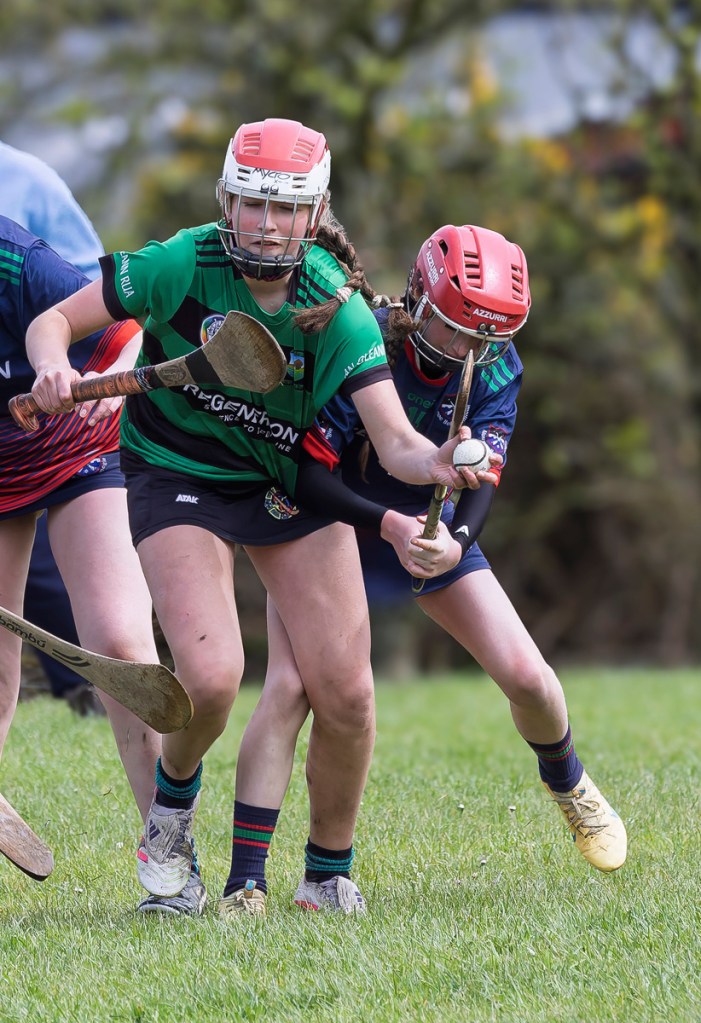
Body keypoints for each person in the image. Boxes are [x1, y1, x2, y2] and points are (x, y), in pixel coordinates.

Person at [23, 117, 471, 918]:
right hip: (176, 469)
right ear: (227, 200)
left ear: (315, 212)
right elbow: (52, 320)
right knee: (210, 677)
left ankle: (326, 874)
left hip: (282, 479)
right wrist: (52, 363)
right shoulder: (178, 262)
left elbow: (397, 442)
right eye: (253, 203)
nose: (267, 224)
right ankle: (170, 814)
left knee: (347, 693)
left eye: (286, 208)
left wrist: (436, 463)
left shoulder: (335, 308)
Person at [228, 224, 627, 912]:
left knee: (530, 678)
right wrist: (384, 522)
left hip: (426, 524)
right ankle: (248, 882)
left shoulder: (496, 364)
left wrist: (456, 539)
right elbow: (305, 475)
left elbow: (486, 474)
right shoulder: (360, 340)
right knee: (291, 686)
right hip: (330, 519)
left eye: (487, 338)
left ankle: (567, 782)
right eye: (456, 332)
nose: (471, 352)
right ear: (418, 298)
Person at [0, 216, 182, 908]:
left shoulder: (17, 261)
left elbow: (129, 336)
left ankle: (171, 858)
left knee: (119, 646)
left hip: (78, 444)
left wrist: (61, 369)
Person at [0, 140, 106, 712]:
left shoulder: (26, 180)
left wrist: (58, 363)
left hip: (60, 408)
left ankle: (86, 683)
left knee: (49, 571)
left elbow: (97, 294)